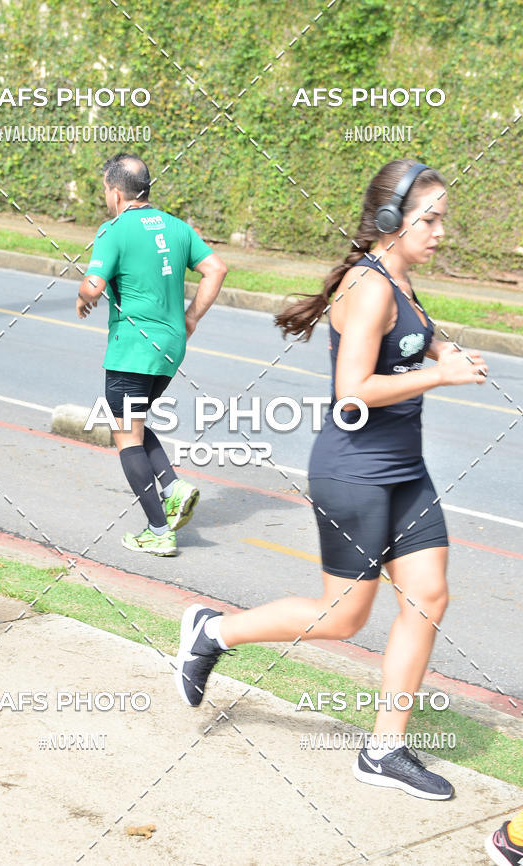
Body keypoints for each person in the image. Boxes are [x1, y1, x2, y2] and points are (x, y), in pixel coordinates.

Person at [173, 159, 489, 799]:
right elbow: (353, 392)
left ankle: (384, 750)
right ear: (391, 221)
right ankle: (212, 632)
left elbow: (404, 339)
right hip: (355, 472)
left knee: (428, 598)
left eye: (442, 220)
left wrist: (436, 350)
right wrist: (439, 375)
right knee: (342, 618)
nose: (440, 232)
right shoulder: (368, 286)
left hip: (405, 471)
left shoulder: (400, 282)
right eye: (430, 220)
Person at [76, 153, 226, 556]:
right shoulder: (177, 227)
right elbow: (216, 269)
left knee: (125, 435)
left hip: (132, 349)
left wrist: (84, 295)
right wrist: (191, 317)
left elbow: (92, 285)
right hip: (171, 347)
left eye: (106, 191)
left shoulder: (114, 230)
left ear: (115, 191)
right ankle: (173, 487)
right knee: (134, 422)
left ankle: (159, 530)